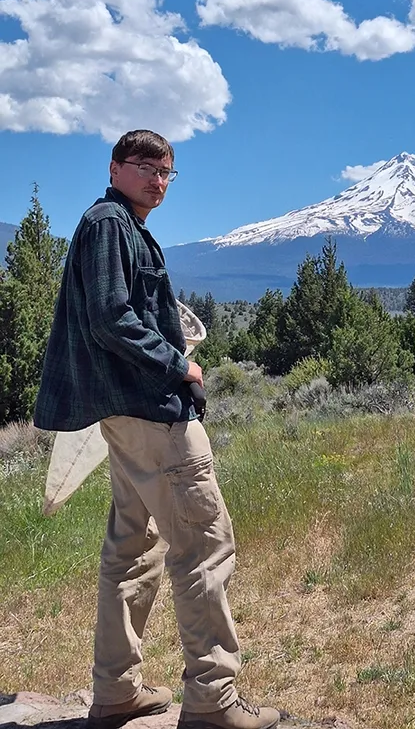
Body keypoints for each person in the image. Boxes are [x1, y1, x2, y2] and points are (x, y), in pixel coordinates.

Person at [34, 130, 280, 729]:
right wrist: (182, 365)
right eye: (144, 167)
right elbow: (113, 317)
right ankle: (214, 703)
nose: (158, 179)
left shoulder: (115, 226)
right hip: (153, 413)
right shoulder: (112, 225)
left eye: (167, 171)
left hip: (125, 414)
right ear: (115, 168)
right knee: (203, 546)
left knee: (131, 549)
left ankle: (117, 692)